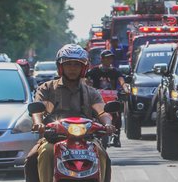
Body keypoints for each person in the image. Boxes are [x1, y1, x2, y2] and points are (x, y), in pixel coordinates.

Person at [25, 44, 114, 182]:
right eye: (68, 64)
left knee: (103, 155)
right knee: (37, 156)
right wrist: (38, 123)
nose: (72, 68)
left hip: (87, 139)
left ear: (83, 68)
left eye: (77, 65)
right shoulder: (47, 88)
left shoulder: (91, 92)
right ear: (60, 67)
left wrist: (108, 124)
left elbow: (102, 112)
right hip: (53, 139)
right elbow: (38, 109)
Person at [85, 50, 130, 147]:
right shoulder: (94, 71)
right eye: (107, 58)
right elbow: (85, 80)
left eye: (111, 58)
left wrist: (126, 89)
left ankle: (116, 136)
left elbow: (122, 81)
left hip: (111, 98)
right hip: (97, 99)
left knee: (117, 114)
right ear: (101, 59)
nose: (109, 60)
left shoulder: (115, 71)